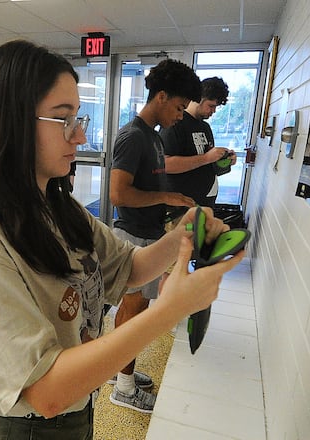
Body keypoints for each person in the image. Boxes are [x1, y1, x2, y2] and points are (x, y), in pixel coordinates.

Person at [0, 39, 243, 439]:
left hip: (77, 408)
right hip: (25, 428)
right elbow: (45, 392)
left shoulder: (60, 208)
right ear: (13, 122)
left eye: (79, 118)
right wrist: (167, 313)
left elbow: (129, 267)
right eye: (63, 119)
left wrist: (184, 232)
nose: (80, 137)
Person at [107, 58, 201, 413]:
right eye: (178, 107)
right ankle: (124, 388)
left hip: (147, 232)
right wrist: (164, 197)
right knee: (132, 311)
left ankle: (119, 371)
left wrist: (170, 206)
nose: (180, 115)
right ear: (161, 97)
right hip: (132, 236)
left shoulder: (153, 137)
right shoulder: (133, 137)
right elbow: (118, 194)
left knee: (137, 309)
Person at [159, 76, 235, 209]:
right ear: (199, 98)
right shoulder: (175, 123)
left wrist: (224, 160)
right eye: (211, 106)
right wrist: (206, 158)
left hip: (204, 202)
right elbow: (166, 164)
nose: (213, 111)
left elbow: (208, 164)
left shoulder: (205, 127)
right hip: (180, 207)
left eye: (216, 107)